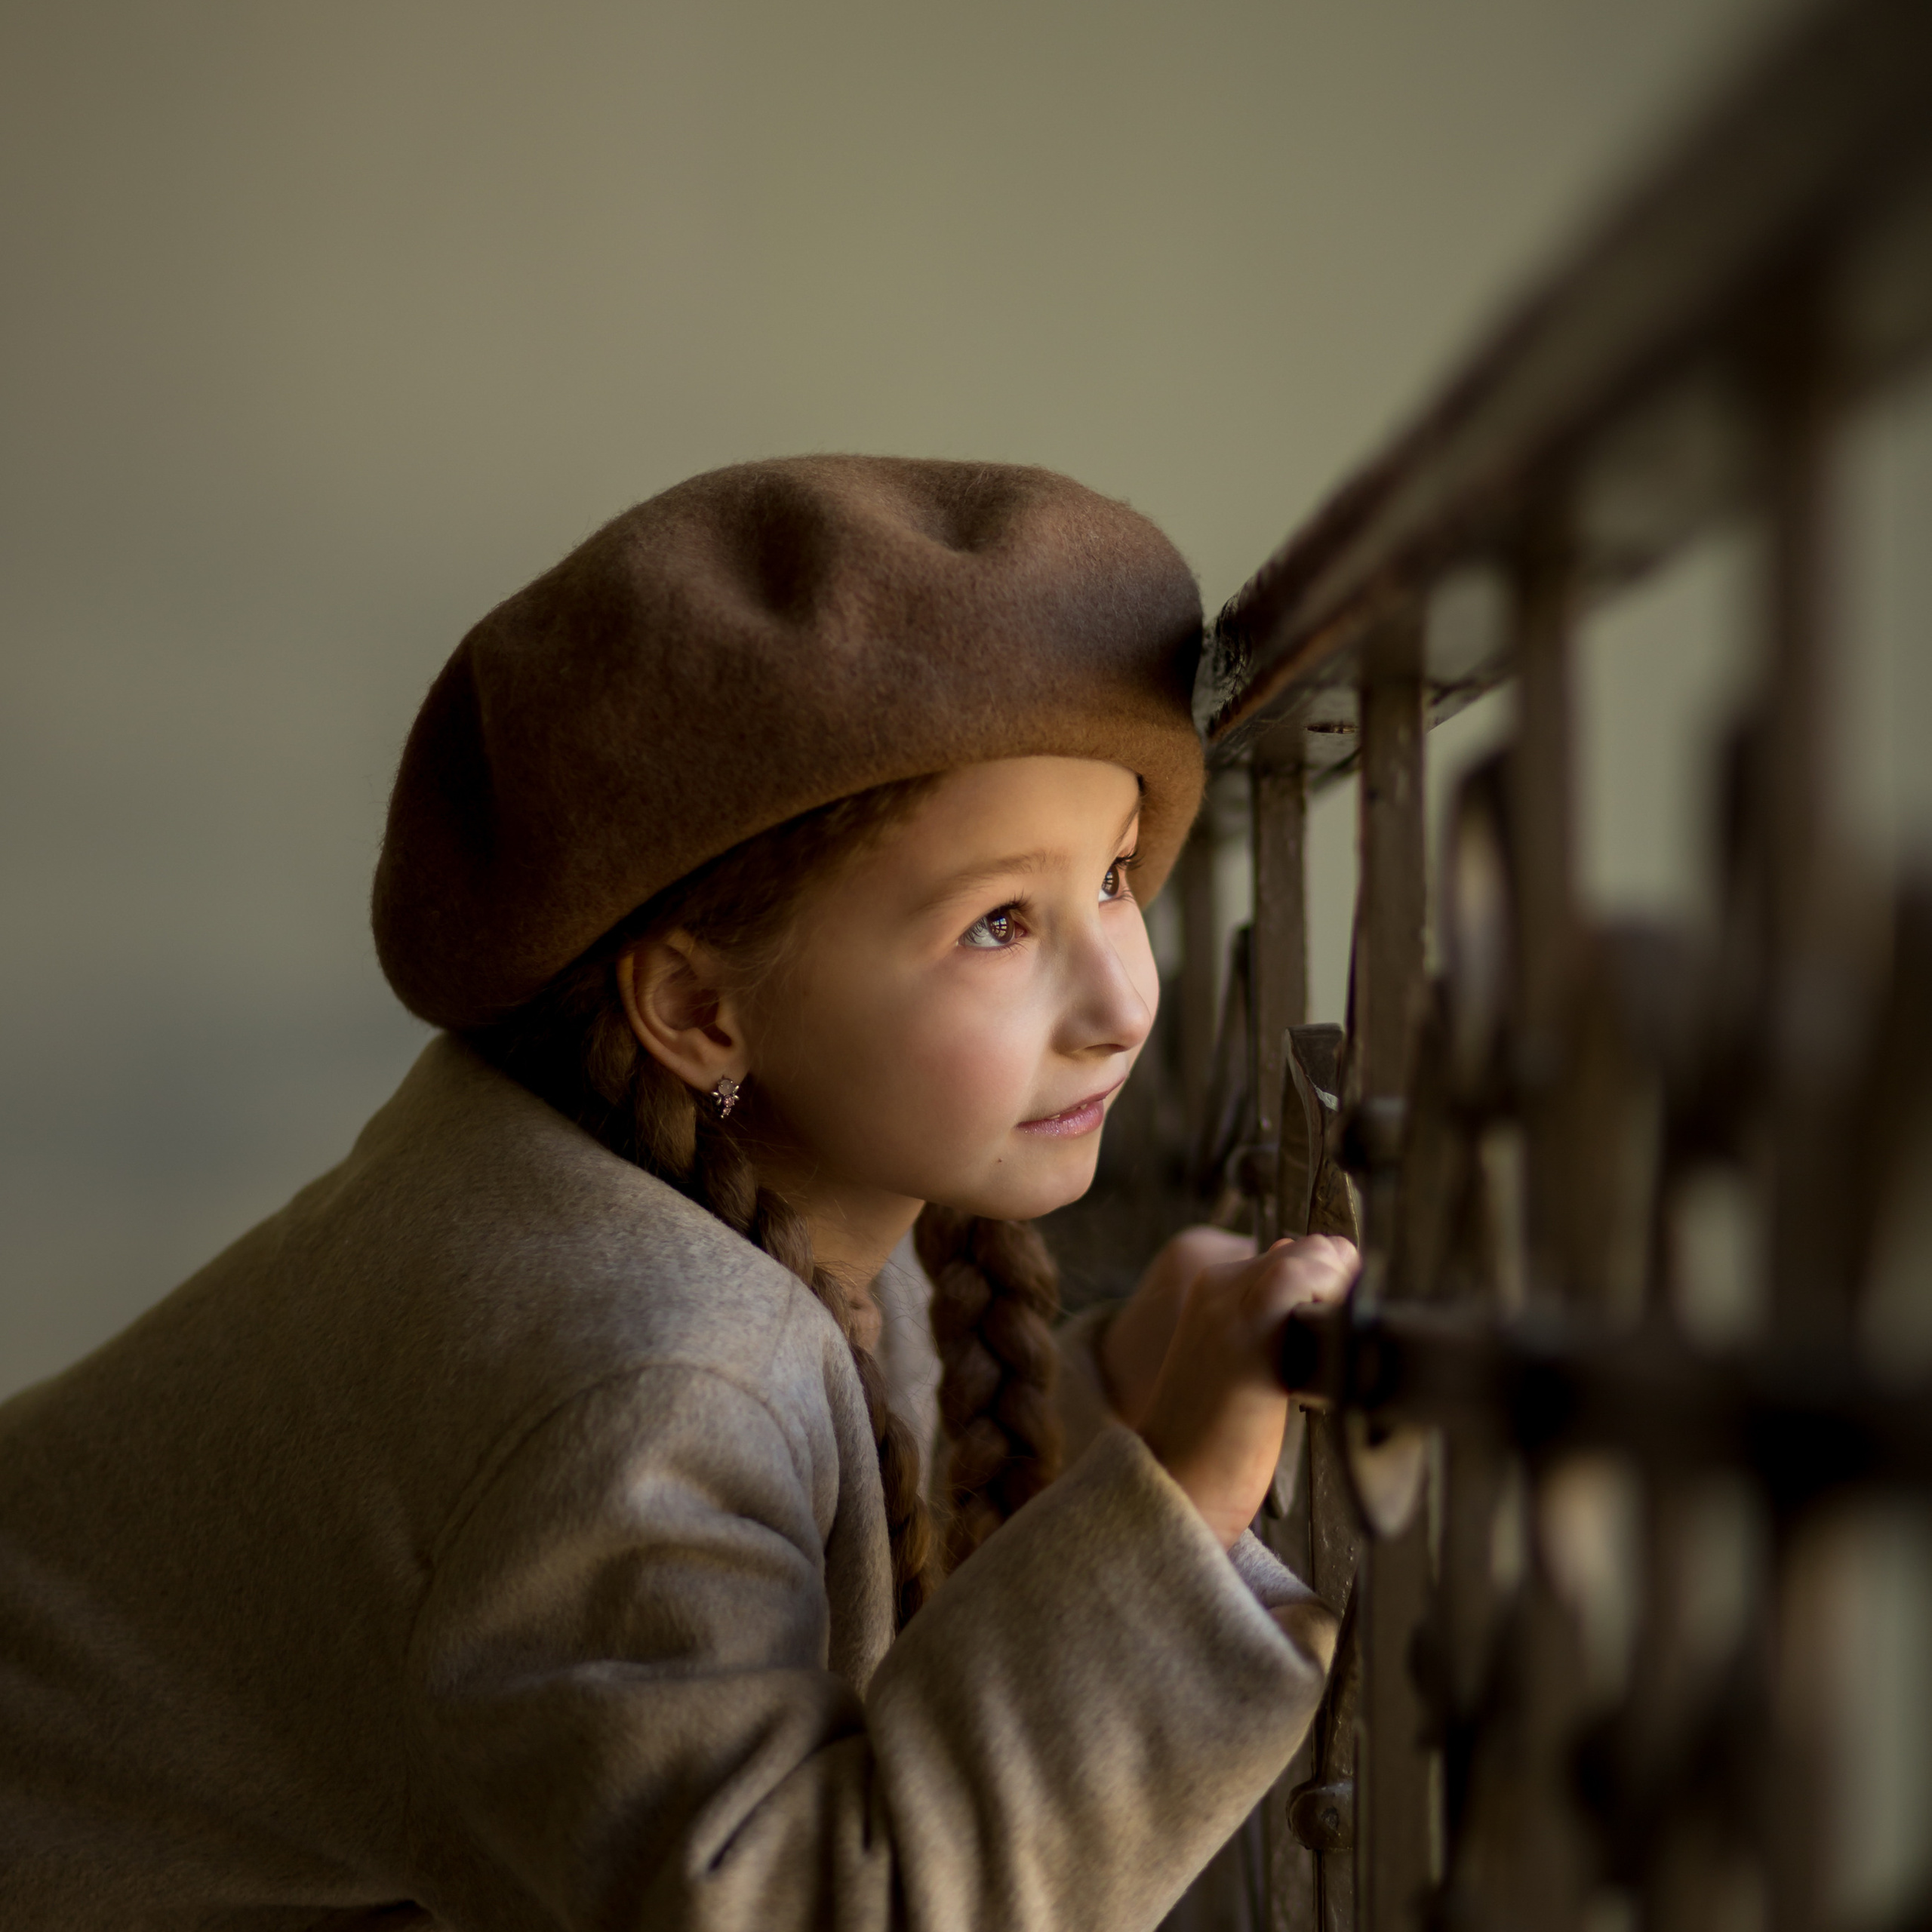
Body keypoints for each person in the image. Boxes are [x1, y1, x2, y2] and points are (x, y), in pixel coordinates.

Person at [0, 456, 1357, 1930]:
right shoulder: (641, 1365)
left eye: (1110, 876)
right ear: (698, 1013)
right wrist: (1176, 1518)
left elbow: (788, 1555)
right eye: (996, 923)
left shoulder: (697, 1183)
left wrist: (1096, 1416)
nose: (1121, 998)